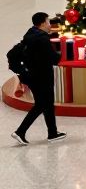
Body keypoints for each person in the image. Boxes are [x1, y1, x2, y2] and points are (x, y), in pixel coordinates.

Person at [10, 12, 65, 145]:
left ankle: (52, 132)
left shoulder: (31, 34)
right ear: (42, 24)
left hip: (31, 76)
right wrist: (62, 51)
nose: (49, 24)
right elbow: (53, 58)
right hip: (42, 76)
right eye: (48, 22)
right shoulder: (42, 39)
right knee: (42, 105)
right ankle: (20, 131)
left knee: (47, 104)